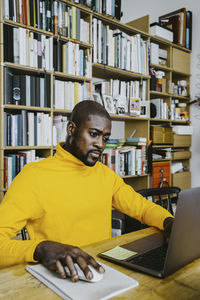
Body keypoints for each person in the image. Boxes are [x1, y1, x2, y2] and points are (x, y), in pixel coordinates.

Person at [0, 100, 174, 282]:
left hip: (102, 273)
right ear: (71, 129)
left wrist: (168, 221)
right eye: (93, 134)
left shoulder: (106, 175)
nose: (100, 144)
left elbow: (142, 208)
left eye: (105, 138)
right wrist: (40, 249)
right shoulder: (33, 176)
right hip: (60, 278)